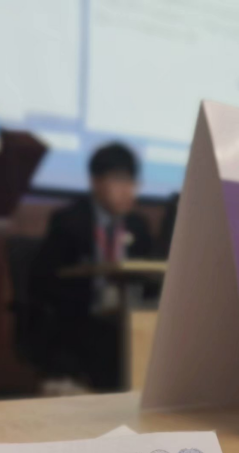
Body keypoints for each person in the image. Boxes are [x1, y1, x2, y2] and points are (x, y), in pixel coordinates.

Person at [31, 143, 153, 391]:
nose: (127, 190)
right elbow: (45, 281)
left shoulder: (137, 225)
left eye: (132, 181)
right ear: (95, 182)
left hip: (126, 317)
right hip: (82, 317)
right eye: (118, 180)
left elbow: (149, 276)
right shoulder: (69, 221)